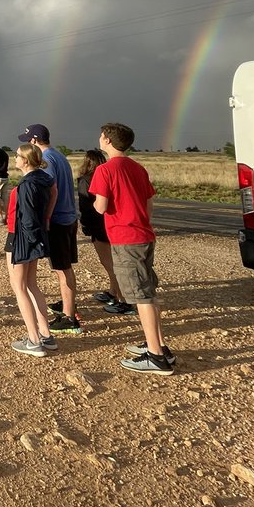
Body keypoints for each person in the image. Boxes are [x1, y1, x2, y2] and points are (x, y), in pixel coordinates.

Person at [89, 122, 175, 375]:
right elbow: (149, 204)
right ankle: (156, 343)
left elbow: (101, 207)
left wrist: (94, 204)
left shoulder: (105, 170)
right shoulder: (138, 167)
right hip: (144, 235)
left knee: (141, 296)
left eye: (101, 135)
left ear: (107, 140)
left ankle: (156, 356)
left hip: (126, 238)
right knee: (146, 289)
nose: (100, 138)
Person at [18, 123, 82, 335]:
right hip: (68, 217)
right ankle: (67, 305)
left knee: (62, 269)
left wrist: (45, 218)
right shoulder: (59, 155)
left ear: (35, 141)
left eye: (28, 140)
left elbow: (50, 190)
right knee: (62, 267)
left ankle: (69, 316)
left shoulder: (47, 160)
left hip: (58, 220)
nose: (28, 143)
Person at [7, 143, 56, 357]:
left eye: (17, 155)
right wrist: (45, 220)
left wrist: (27, 243)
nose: (14, 158)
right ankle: (45, 334)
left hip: (21, 238)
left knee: (19, 287)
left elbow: (26, 218)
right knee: (32, 284)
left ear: (25, 160)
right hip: (35, 237)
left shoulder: (27, 183)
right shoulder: (44, 178)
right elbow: (53, 194)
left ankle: (34, 340)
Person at [77, 149, 135, 315]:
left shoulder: (85, 180)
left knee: (108, 263)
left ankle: (123, 300)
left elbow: (86, 207)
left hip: (98, 225)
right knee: (114, 261)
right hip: (111, 223)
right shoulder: (106, 175)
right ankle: (113, 291)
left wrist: (86, 225)